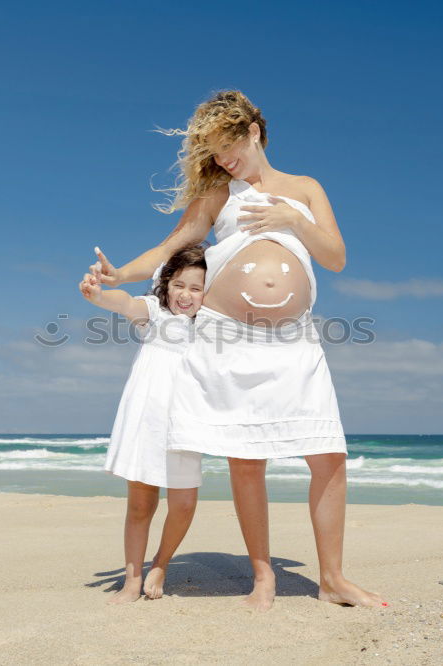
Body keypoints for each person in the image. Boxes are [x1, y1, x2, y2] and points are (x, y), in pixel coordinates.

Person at [89, 90, 387, 611]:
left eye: (228, 146)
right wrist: (120, 274)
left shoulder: (304, 188)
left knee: (329, 456)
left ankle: (334, 578)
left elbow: (336, 258)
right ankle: (263, 577)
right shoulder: (217, 194)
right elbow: (170, 246)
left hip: (295, 340)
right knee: (247, 460)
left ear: (253, 131)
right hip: (229, 336)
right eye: (214, 152)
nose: (224, 160)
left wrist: (293, 221)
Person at [79, 243, 207, 602]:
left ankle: (161, 564)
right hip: (147, 417)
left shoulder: (211, 325)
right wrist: (99, 296)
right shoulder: (153, 312)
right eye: (179, 284)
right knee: (140, 503)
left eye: (196, 288)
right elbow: (124, 302)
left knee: (182, 504)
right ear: (165, 283)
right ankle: (132, 579)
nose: (185, 294)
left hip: (187, 420)